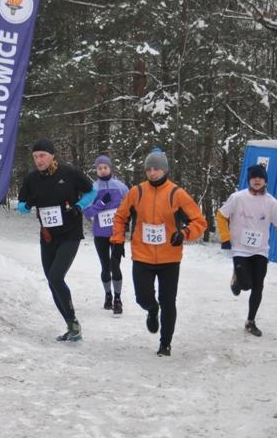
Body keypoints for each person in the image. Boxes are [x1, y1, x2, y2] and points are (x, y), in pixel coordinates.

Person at [110, 149, 207, 356]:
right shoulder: (137, 192)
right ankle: (152, 309)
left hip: (169, 258)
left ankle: (165, 343)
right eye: (149, 169)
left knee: (168, 301)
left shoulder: (176, 193)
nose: (152, 173)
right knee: (142, 298)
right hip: (142, 256)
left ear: (165, 170)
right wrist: (117, 240)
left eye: (156, 169)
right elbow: (120, 217)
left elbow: (199, 221)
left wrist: (184, 233)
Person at [18, 139, 96, 342]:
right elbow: (21, 206)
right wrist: (28, 204)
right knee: (52, 282)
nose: (39, 160)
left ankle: (74, 324)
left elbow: (92, 191)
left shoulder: (69, 173)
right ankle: (71, 325)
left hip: (70, 234)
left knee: (55, 277)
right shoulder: (32, 179)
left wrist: (79, 206)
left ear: (52, 156)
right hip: (48, 236)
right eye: (35, 157)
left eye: (42, 155)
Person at [216, 164, 277, 337]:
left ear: (265, 181)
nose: (257, 180)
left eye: (260, 177)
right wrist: (225, 237)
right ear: (249, 180)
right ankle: (237, 279)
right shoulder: (237, 198)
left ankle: (250, 321)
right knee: (246, 285)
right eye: (254, 177)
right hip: (240, 249)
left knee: (258, 286)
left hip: (260, 250)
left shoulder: (271, 202)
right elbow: (221, 215)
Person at [83, 155, 129, 314]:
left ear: (110, 168)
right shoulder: (93, 188)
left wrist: (125, 218)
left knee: (116, 266)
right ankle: (108, 295)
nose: (102, 170)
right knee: (105, 266)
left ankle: (118, 299)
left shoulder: (121, 187)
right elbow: (87, 212)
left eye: (105, 167)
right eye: (99, 168)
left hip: (117, 234)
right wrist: (101, 203)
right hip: (100, 234)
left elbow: (130, 206)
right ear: (96, 170)